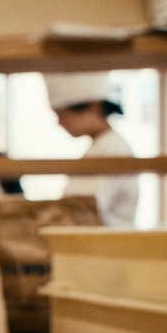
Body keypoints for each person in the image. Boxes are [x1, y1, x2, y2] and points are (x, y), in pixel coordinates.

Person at [44, 72, 139, 226]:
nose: (59, 123)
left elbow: (82, 209)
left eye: (62, 115)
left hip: (107, 246)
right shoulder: (101, 146)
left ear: (93, 106)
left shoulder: (112, 150)